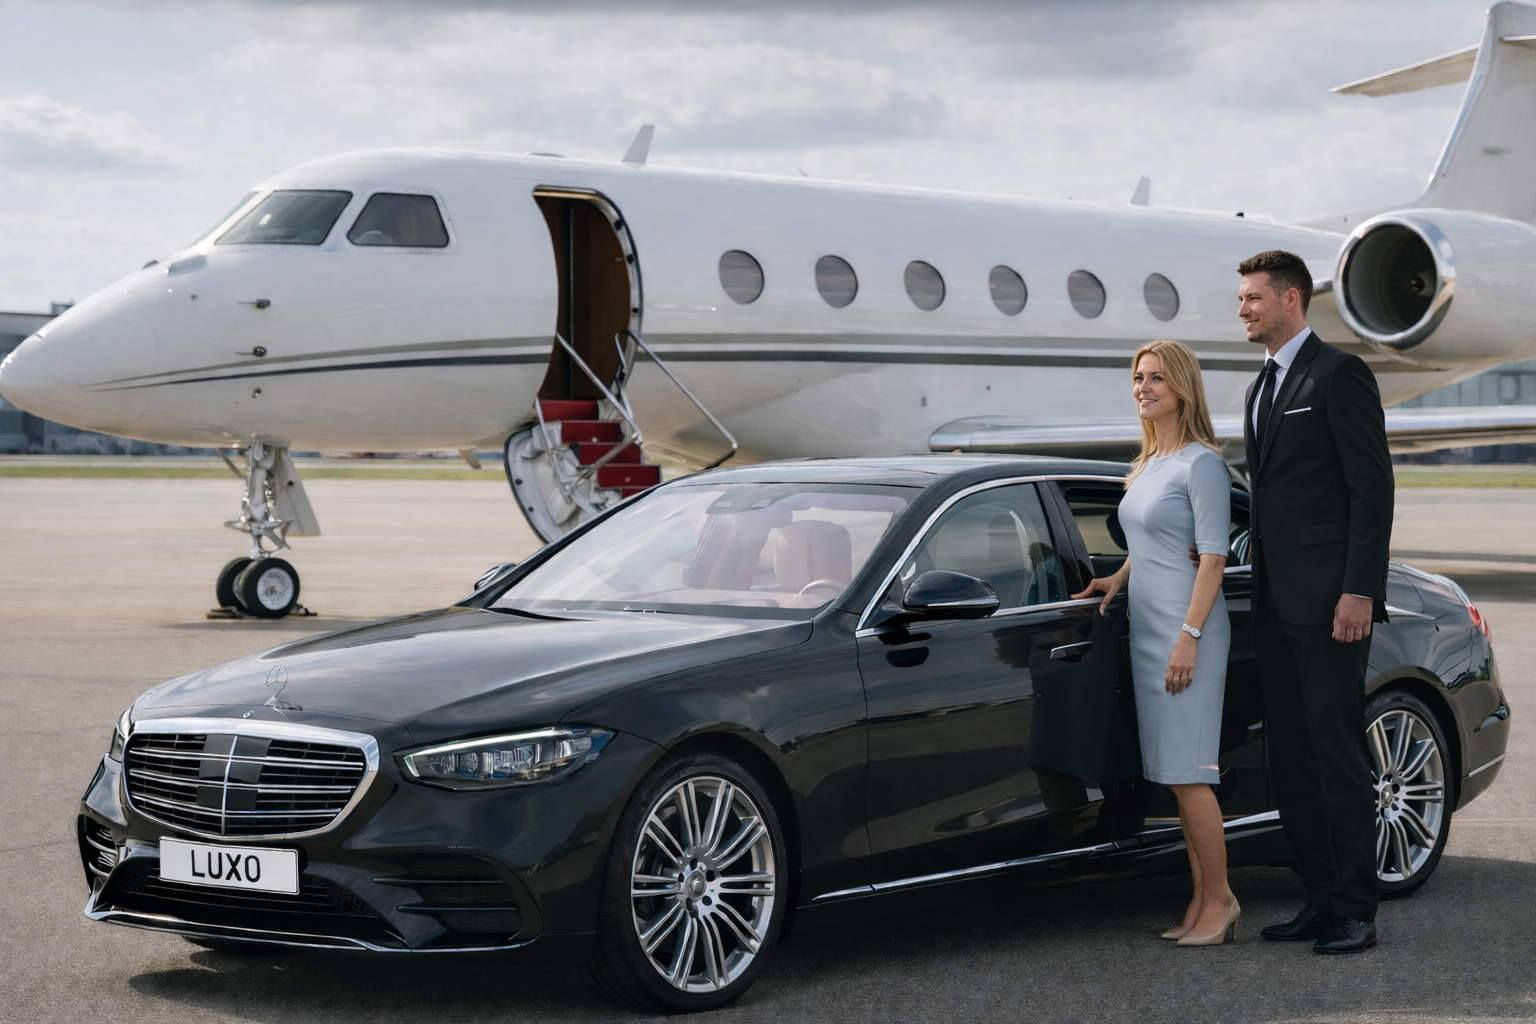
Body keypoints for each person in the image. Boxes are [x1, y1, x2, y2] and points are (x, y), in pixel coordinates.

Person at [1236, 250, 1393, 955]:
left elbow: (1371, 490)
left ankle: (1357, 907)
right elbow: (1270, 497)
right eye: (1241, 300)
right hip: (1274, 604)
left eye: (1253, 299)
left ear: (1291, 299)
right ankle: (1319, 899)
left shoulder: (1338, 375)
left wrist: (1359, 589)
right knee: (1291, 759)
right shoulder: (1259, 387)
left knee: (1336, 754)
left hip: (1332, 605)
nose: (1243, 309)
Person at [1074, 339, 1238, 946]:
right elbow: (1153, 547)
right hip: (1147, 630)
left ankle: (1220, 902)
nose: (1143, 387)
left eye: (1157, 380)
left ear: (1182, 389)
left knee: (1192, 773)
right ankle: (1199, 901)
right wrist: (1117, 575)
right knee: (1173, 774)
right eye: (1139, 378)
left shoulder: (1202, 464)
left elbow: (1212, 562)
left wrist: (1188, 638)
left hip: (1186, 630)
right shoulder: (1146, 464)